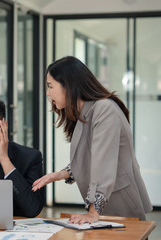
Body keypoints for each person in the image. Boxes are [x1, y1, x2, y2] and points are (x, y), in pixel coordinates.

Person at [32, 56, 152, 223]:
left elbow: (103, 164)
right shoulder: (85, 112)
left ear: (68, 85)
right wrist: (59, 174)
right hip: (108, 209)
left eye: (50, 86)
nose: (47, 93)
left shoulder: (104, 109)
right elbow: (89, 157)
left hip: (121, 206)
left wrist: (93, 212)